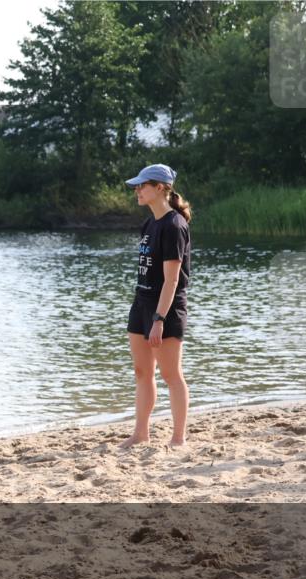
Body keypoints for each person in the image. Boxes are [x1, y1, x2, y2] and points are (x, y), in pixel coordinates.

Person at [121, 164, 192, 448]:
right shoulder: (149, 224)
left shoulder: (174, 225)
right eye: (137, 186)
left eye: (142, 185)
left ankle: (178, 438)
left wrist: (159, 319)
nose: (137, 190)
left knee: (171, 374)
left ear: (160, 188)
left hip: (165, 310)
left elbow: (172, 280)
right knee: (141, 372)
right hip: (141, 304)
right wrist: (145, 312)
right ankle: (141, 433)